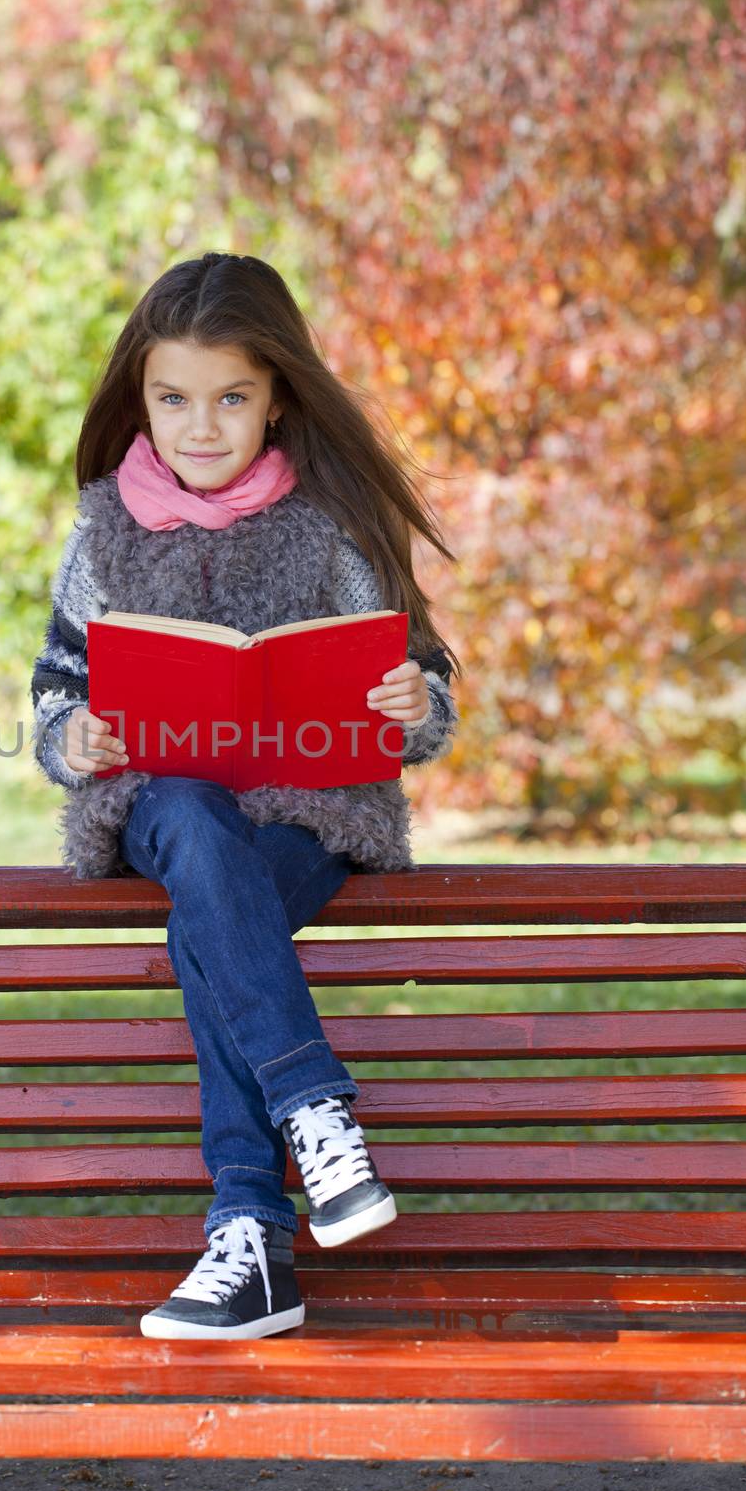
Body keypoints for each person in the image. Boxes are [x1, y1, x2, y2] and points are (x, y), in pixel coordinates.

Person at [31, 252, 461, 1341]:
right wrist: (70, 737)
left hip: (307, 813)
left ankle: (250, 1243)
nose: (201, 426)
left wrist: (414, 702)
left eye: (230, 398)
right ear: (140, 396)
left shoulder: (334, 524)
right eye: (173, 399)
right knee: (179, 808)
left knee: (212, 920)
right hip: (167, 809)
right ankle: (313, 1106)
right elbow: (54, 690)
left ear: (276, 397)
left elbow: (425, 688)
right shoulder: (103, 535)